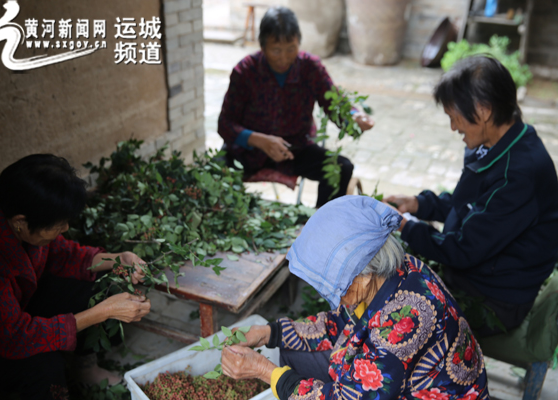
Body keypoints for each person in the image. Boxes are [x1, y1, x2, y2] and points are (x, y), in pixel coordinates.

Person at [221, 195, 489, 400]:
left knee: (282, 372)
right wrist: (268, 333)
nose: (331, 296)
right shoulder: (391, 268)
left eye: (334, 287)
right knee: (289, 352)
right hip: (391, 372)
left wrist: (263, 371)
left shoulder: (404, 323)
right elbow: (338, 322)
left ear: (364, 276)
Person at [384, 56, 558, 336]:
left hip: (495, 298)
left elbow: (464, 250)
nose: (454, 127)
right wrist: (419, 205)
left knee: (395, 315)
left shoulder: (519, 173)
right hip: (477, 271)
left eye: (455, 117)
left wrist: (406, 226)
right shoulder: (495, 144)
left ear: (484, 110)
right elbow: (469, 205)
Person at [0, 154, 152, 400]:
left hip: (18, 307)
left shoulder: (19, 216)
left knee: (91, 290)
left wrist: (118, 259)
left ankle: (86, 369)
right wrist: (103, 312)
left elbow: (65, 254)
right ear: (21, 222)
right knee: (45, 367)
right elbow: (13, 336)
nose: (65, 229)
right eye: (59, 224)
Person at [218, 6, 374, 208]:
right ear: (263, 47)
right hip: (249, 152)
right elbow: (225, 124)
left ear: (299, 42)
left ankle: (320, 228)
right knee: (213, 172)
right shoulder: (245, 71)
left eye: (291, 49)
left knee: (341, 168)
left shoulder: (310, 67)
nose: (284, 58)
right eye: (276, 50)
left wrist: (354, 116)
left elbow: (334, 102)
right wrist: (259, 140)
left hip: (295, 149)